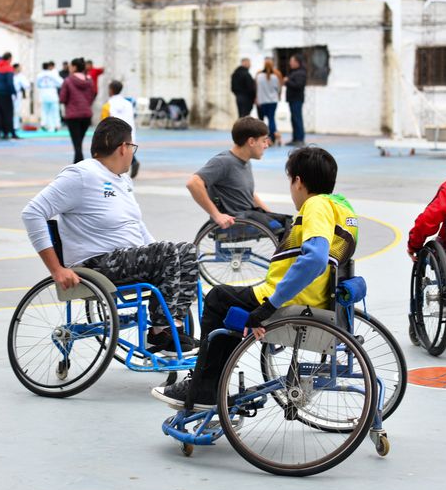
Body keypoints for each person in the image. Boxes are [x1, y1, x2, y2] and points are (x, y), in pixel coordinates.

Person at [152, 146, 359, 408]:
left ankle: (205, 388)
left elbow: (316, 258)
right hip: (320, 298)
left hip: (293, 300)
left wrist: (270, 305)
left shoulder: (315, 205)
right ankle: (214, 382)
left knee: (217, 299)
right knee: (232, 302)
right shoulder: (343, 207)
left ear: (297, 181)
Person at [21, 117, 199, 354]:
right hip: (98, 262)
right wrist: (56, 269)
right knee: (169, 253)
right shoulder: (81, 175)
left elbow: (136, 225)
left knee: (187, 251)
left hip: (129, 258)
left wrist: (169, 255)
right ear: (123, 148)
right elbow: (32, 212)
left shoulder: (123, 180)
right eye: (132, 147)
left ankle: (172, 326)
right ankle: (159, 332)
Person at [186, 116, 292, 234]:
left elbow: (250, 195)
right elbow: (193, 183)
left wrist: (270, 214)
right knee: (284, 229)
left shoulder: (246, 161)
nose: (266, 145)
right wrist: (217, 215)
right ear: (251, 141)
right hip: (236, 221)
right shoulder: (224, 162)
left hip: (249, 216)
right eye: (264, 140)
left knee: (288, 223)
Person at [100, 80, 140, 178]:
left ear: (111, 90)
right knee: (125, 150)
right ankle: (132, 163)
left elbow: (104, 122)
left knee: (113, 154)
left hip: (114, 134)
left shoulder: (107, 105)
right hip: (129, 132)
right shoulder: (128, 103)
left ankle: (115, 172)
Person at [59, 57, 96, 163]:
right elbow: (92, 96)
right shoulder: (89, 81)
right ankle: (77, 163)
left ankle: (79, 164)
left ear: (74, 67)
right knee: (79, 142)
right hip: (86, 115)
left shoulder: (68, 80)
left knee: (76, 143)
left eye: (71, 66)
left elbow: (62, 98)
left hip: (73, 115)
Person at [0, 52, 17, 139]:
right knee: (8, 114)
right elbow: (10, 83)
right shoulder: (9, 68)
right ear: (9, 58)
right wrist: (13, 92)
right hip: (5, 94)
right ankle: (11, 133)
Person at [255, 58, 281, 146]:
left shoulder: (259, 76)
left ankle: (263, 138)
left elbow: (257, 89)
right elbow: (278, 89)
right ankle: (273, 137)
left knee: (262, 121)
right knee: (271, 119)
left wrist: (257, 99)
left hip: (262, 101)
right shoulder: (275, 77)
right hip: (273, 101)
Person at [285, 54, 307, 146]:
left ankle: (300, 139)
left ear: (297, 62)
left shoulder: (300, 73)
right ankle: (295, 138)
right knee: (294, 119)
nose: (290, 63)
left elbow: (298, 85)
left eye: (292, 61)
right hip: (293, 99)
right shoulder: (294, 72)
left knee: (297, 119)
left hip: (296, 99)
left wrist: (287, 81)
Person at [36, 62, 63, 132]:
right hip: (52, 92)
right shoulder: (52, 74)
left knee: (44, 110)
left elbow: (38, 84)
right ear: (48, 67)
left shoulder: (39, 75)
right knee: (54, 110)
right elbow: (61, 82)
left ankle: (44, 124)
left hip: (43, 92)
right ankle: (56, 125)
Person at [12, 63, 31, 131]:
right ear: (16, 68)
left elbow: (27, 85)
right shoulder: (10, 75)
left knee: (17, 110)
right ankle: (9, 125)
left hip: (17, 94)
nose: (20, 69)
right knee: (10, 111)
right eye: (19, 68)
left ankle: (15, 126)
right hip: (10, 94)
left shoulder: (21, 76)